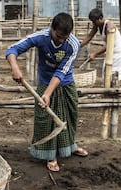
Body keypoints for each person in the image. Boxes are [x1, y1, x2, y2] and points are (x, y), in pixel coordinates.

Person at [5, 12, 88, 172]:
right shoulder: (41, 37)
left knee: (70, 117)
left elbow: (61, 71)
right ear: (52, 28)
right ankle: (51, 155)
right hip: (44, 82)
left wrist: (48, 94)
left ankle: (70, 146)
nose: (61, 40)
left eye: (65, 37)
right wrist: (15, 67)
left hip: (65, 84)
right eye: (58, 36)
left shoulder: (73, 44)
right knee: (45, 120)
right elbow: (12, 49)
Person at [81, 8, 121, 81]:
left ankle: (114, 90)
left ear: (100, 18)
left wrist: (95, 54)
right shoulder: (97, 25)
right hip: (110, 53)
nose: (93, 24)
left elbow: (109, 45)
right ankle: (108, 90)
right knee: (107, 75)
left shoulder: (109, 26)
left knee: (113, 77)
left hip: (117, 52)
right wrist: (79, 46)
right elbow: (90, 36)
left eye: (94, 21)